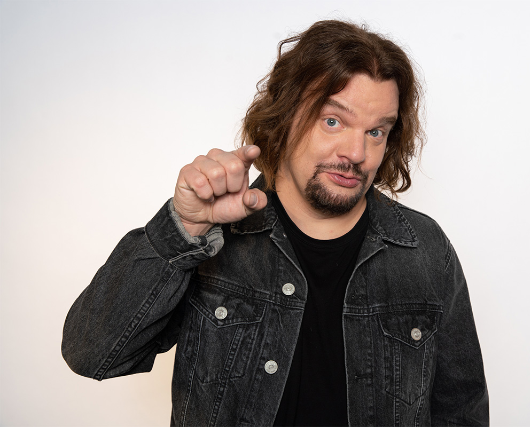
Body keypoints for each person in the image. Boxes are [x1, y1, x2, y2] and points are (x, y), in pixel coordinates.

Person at [62, 20, 489, 426]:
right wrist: (183, 229)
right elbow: (92, 354)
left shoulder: (424, 250)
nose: (357, 153)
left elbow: (461, 411)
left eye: (376, 132)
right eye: (333, 121)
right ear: (285, 116)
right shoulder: (213, 233)